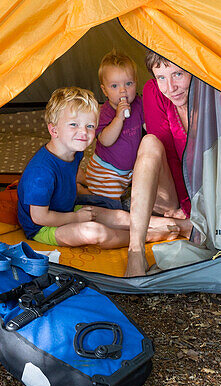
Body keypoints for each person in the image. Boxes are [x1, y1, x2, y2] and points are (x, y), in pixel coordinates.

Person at [16, 87, 186, 276]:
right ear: (53, 129)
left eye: (89, 126)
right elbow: (39, 217)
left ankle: (176, 224)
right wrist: (75, 218)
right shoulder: (41, 173)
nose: (83, 132)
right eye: (74, 125)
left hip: (65, 210)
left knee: (117, 216)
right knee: (95, 232)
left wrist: (85, 190)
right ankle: (149, 236)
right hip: (43, 227)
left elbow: (73, 174)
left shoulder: (74, 152)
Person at [83, 51, 145, 201]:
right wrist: (119, 118)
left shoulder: (139, 103)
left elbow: (147, 125)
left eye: (129, 84)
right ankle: (83, 193)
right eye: (115, 86)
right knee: (110, 204)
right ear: (104, 90)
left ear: (136, 82)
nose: (123, 90)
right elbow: (105, 140)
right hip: (106, 171)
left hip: (127, 172)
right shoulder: (104, 112)